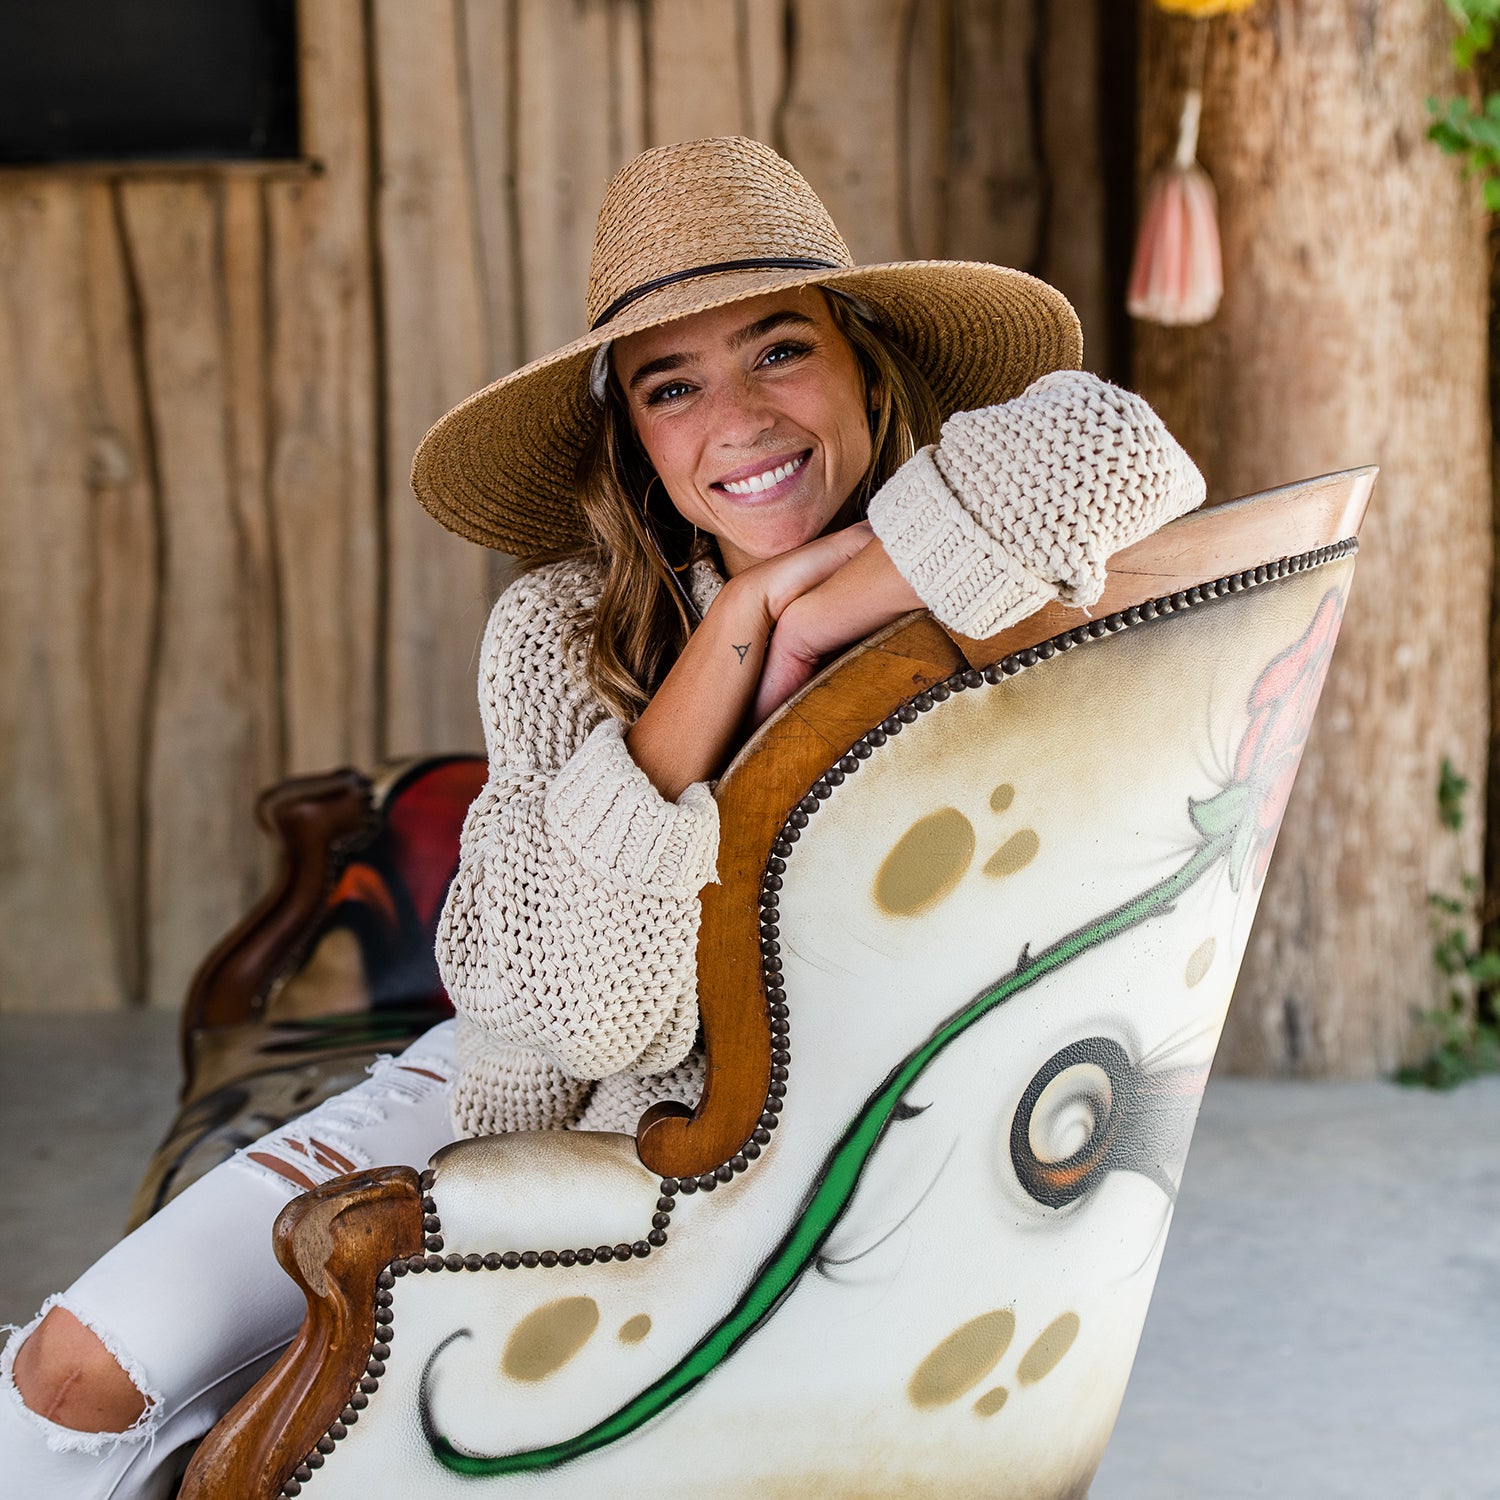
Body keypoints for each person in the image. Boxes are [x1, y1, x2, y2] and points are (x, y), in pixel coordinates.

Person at [0, 135, 1204, 1498]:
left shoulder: (990, 567)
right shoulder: (559, 630)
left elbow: (1124, 449)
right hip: (498, 1091)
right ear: (635, 438)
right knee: (67, 1382)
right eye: (670, 385)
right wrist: (741, 640)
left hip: (718, 1154)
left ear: (865, 361)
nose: (736, 420)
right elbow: (583, 1018)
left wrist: (837, 594)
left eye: (779, 350)